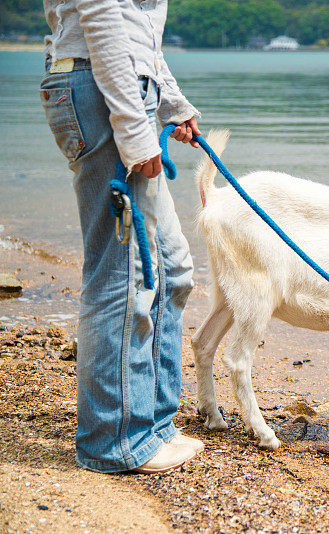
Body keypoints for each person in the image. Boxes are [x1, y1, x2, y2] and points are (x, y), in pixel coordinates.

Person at [41, 0, 204, 473]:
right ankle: (112, 441)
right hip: (103, 93)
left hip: (119, 88)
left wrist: (172, 103)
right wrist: (135, 131)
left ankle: (151, 421)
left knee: (172, 270)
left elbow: (139, 36)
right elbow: (101, 15)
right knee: (120, 277)